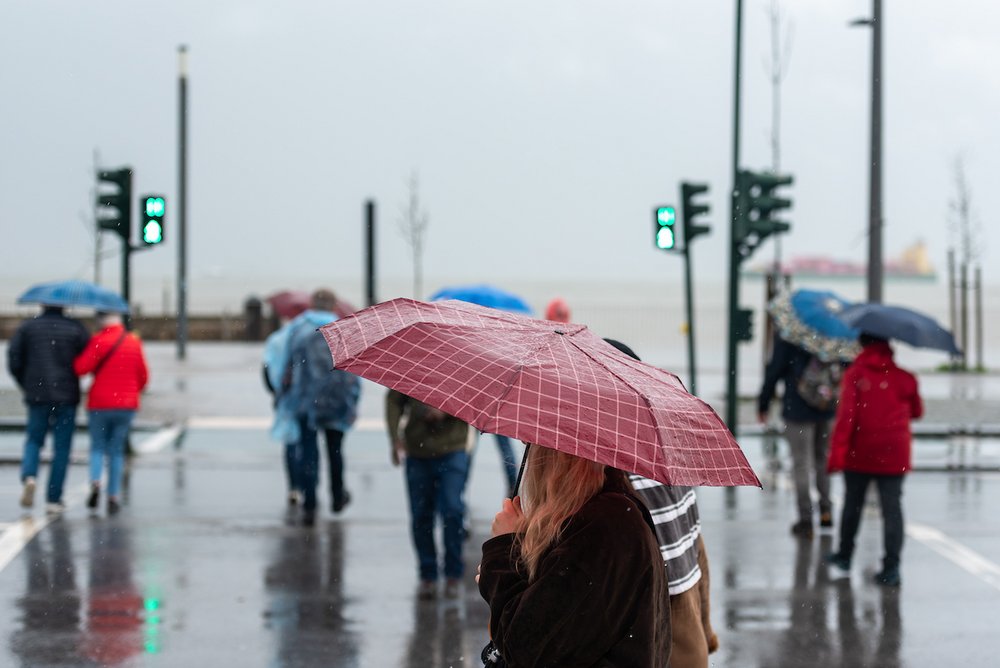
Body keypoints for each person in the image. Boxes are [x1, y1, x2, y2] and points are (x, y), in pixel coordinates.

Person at [477, 446, 670, 667]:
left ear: (558, 455)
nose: (526, 445)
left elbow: (523, 646)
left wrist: (504, 553)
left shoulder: (601, 530)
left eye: (536, 444)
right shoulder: (600, 511)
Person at [604, 337, 718, 667]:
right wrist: (706, 627)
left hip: (647, 641)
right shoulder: (671, 462)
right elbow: (698, 554)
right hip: (687, 639)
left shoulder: (617, 483)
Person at [826, 334, 923, 587]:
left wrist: (837, 455)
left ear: (862, 345)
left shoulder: (856, 375)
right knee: (892, 510)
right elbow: (917, 411)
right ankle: (892, 567)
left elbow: (847, 418)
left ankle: (845, 556)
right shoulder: (906, 378)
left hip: (860, 451)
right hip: (895, 453)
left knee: (852, 506)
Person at [385, 389, 471, 600]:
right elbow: (394, 401)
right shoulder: (410, 360)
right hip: (417, 452)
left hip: (453, 449)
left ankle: (453, 573)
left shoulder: (463, 363)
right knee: (421, 515)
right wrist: (395, 438)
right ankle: (428, 574)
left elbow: (475, 401)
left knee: (452, 509)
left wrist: (446, 410)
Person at [285, 289, 361, 527]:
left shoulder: (298, 330)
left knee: (309, 453)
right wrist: (353, 401)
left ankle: (310, 501)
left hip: (306, 403)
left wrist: (285, 397)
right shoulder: (342, 331)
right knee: (335, 452)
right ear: (333, 306)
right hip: (337, 404)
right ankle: (337, 496)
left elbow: (289, 369)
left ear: (312, 303)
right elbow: (354, 373)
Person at [6, 304, 89, 513]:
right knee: (62, 448)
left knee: (34, 439)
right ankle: (53, 499)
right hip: (67, 394)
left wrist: (25, 382)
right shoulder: (76, 328)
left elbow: (13, 358)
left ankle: (30, 476)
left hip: (37, 393)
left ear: (43, 305)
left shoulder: (28, 327)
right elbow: (87, 360)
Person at [757, 334, 836, 539]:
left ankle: (806, 519)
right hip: (825, 408)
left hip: (797, 409)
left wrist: (764, 402)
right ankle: (826, 511)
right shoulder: (831, 335)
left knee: (801, 463)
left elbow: (775, 370)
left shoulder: (790, 335)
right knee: (822, 459)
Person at [74, 312, 149, 515]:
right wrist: (132, 392)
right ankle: (113, 496)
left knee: (98, 446)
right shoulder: (133, 342)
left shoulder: (98, 340)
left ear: (101, 321)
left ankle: (96, 481)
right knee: (116, 450)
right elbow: (143, 376)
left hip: (99, 403)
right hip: (126, 404)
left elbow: (81, 368)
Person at [262, 300, 310, 507]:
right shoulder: (312, 335)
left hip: (286, 397)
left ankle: (293, 486)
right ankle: (309, 485)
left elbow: (266, 369)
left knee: (290, 442)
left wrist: (275, 391)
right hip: (309, 398)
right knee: (308, 442)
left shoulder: (277, 338)